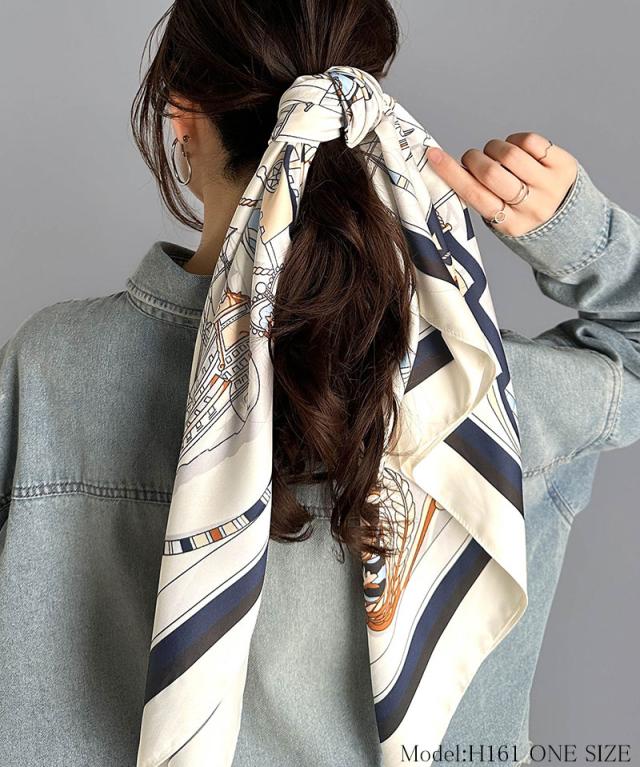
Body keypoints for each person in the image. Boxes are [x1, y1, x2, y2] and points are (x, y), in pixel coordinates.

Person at [0, 1, 638, 766]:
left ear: (181, 116)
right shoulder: (484, 396)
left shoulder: (48, 373)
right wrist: (579, 233)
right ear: (368, 116)